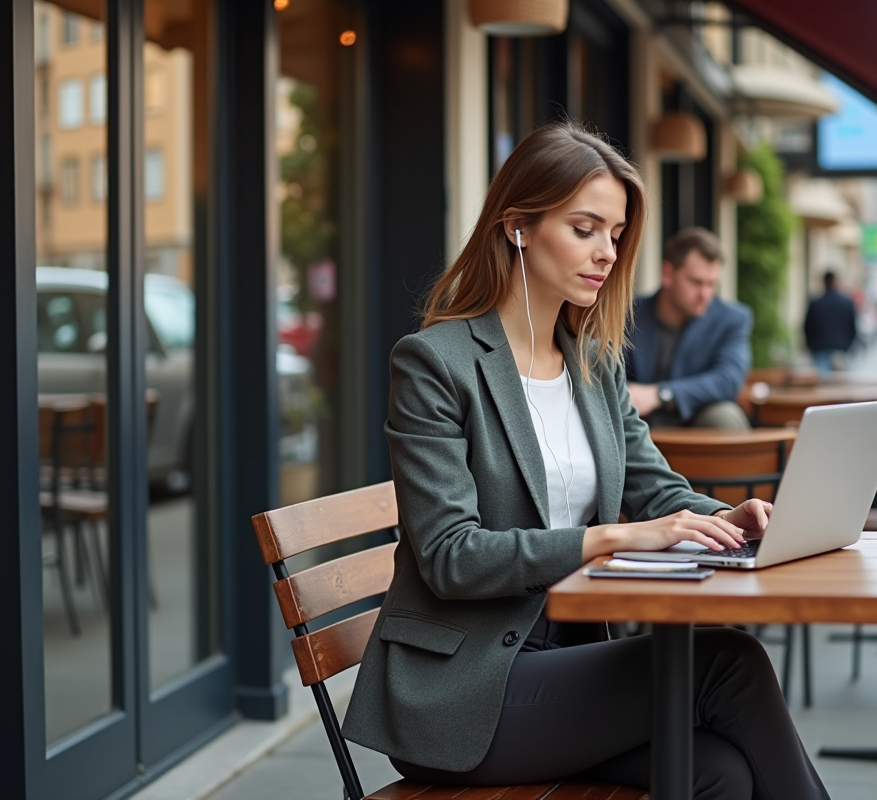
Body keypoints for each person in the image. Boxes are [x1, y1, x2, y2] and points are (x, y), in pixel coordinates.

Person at [341, 120, 830, 799]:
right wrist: (614, 538)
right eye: (584, 228)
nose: (607, 252)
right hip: (464, 691)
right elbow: (451, 556)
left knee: (720, 773)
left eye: (616, 234)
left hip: (564, 661)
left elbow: (655, 489)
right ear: (518, 226)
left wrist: (726, 518)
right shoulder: (435, 364)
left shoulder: (594, 363)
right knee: (729, 662)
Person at [624, 227, 752, 430]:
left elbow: (728, 379)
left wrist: (661, 394)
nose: (705, 294)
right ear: (667, 274)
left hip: (696, 418)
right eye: (696, 282)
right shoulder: (627, 314)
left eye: (711, 284)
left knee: (725, 416)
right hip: (634, 420)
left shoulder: (731, 319)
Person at [803, 270, 857, 372]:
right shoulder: (847, 303)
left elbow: (807, 327)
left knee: (823, 378)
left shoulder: (816, 303)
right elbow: (852, 327)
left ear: (824, 282)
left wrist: (811, 345)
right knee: (840, 379)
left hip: (820, 347)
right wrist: (848, 346)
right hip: (841, 348)